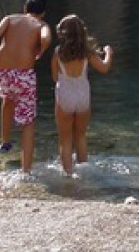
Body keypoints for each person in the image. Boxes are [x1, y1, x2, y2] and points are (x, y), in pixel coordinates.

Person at [0, 0, 52, 173]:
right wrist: (40, 50)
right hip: (22, 75)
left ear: (25, 8)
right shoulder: (41, 24)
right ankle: (26, 170)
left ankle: (5, 142)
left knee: (8, 98)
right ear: (43, 13)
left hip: (1, 72)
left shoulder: (9, 19)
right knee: (28, 122)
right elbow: (46, 38)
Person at [51, 14, 113, 175]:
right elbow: (104, 68)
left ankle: (68, 174)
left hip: (65, 94)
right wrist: (108, 53)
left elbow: (55, 77)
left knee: (65, 139)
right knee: (80, 135)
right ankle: (84, 172)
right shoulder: (88, 53)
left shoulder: (58, 53)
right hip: (83, 95)